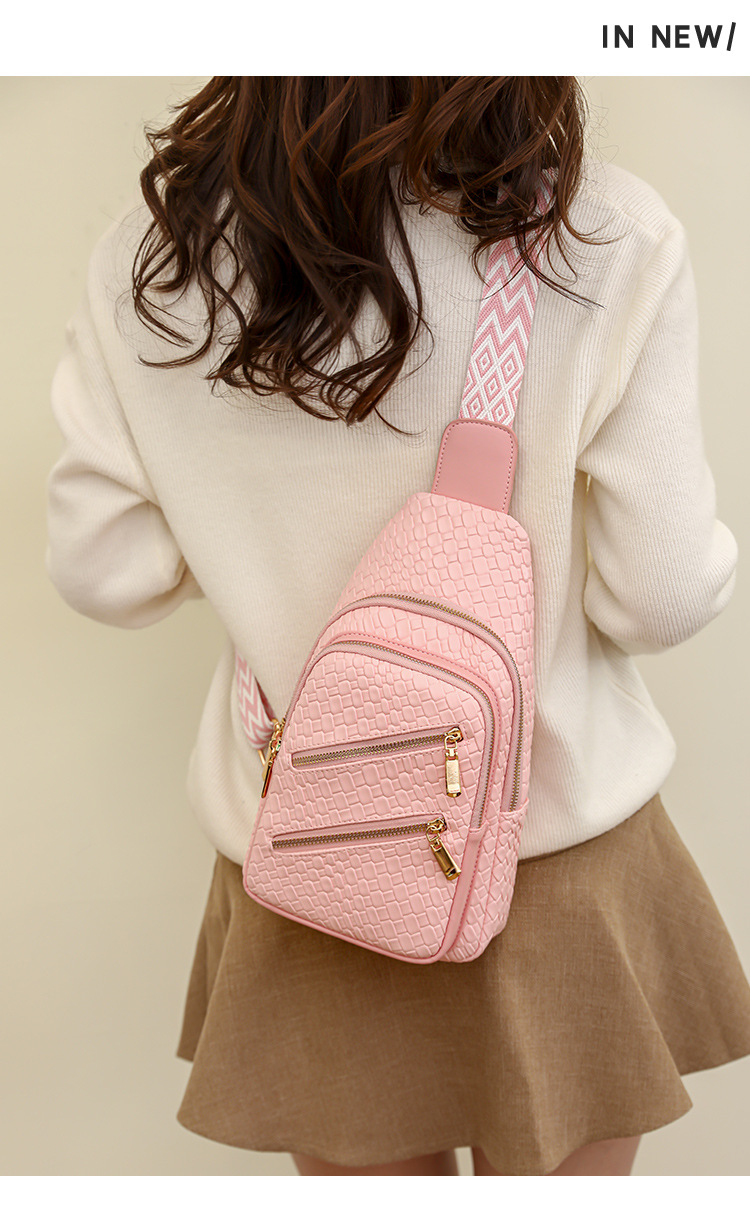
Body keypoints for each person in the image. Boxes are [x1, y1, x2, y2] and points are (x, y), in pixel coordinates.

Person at [45, 77, 750, 1177]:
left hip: (307, 865)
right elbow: (657, 595)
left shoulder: (158, 263)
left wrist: (260, 546)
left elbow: (107, 570)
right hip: (554, 854)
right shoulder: (604, 235)